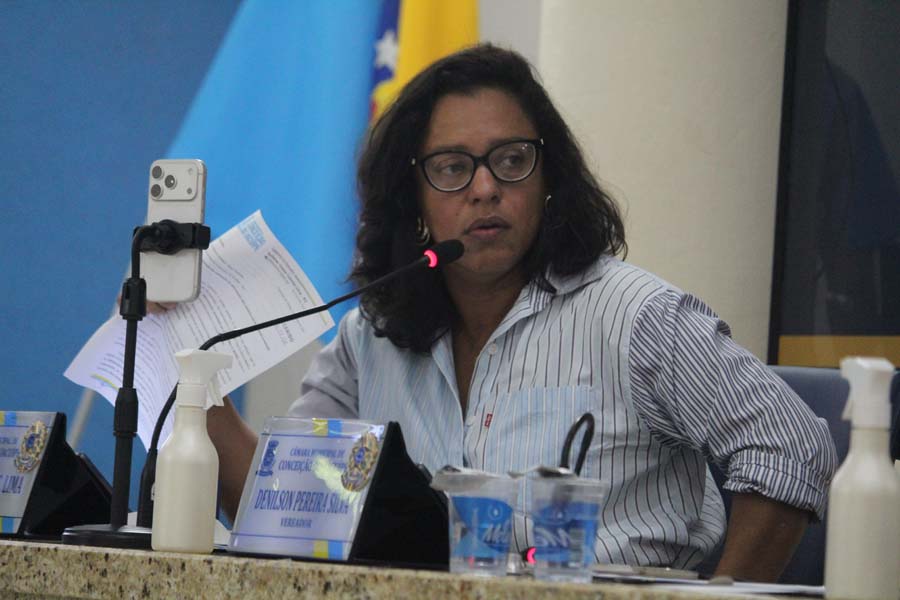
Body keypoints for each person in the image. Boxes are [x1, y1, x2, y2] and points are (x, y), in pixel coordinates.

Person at [207, 44, 836, 581]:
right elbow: (284, 508)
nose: (485, 188)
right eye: (453, 168)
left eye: (511, 160)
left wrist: (723, 595)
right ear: (414, 199)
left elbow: (790, 445)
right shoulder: (371, 336)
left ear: (547, 179)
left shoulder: (635, 317)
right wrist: (191, 380)